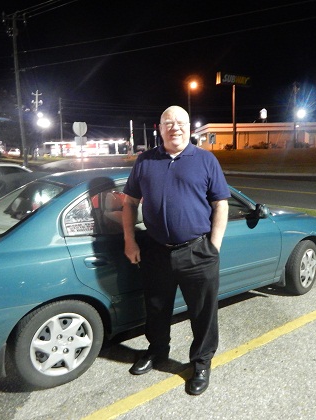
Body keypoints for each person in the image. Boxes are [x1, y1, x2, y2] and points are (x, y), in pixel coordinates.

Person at [122, 105, 230, 395]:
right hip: (156, 250)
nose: (175, 128)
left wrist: (214, 246)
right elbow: (129, 203)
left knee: (203, 312)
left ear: (189, 127)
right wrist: (130, 241)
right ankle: (157, 350)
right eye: (168, 123)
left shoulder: (205, 160)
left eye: (180, 122)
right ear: (160, 128)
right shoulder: (145, 161)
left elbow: (220, 204)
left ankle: (201, 362)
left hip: (197, 251)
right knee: (156, 307)